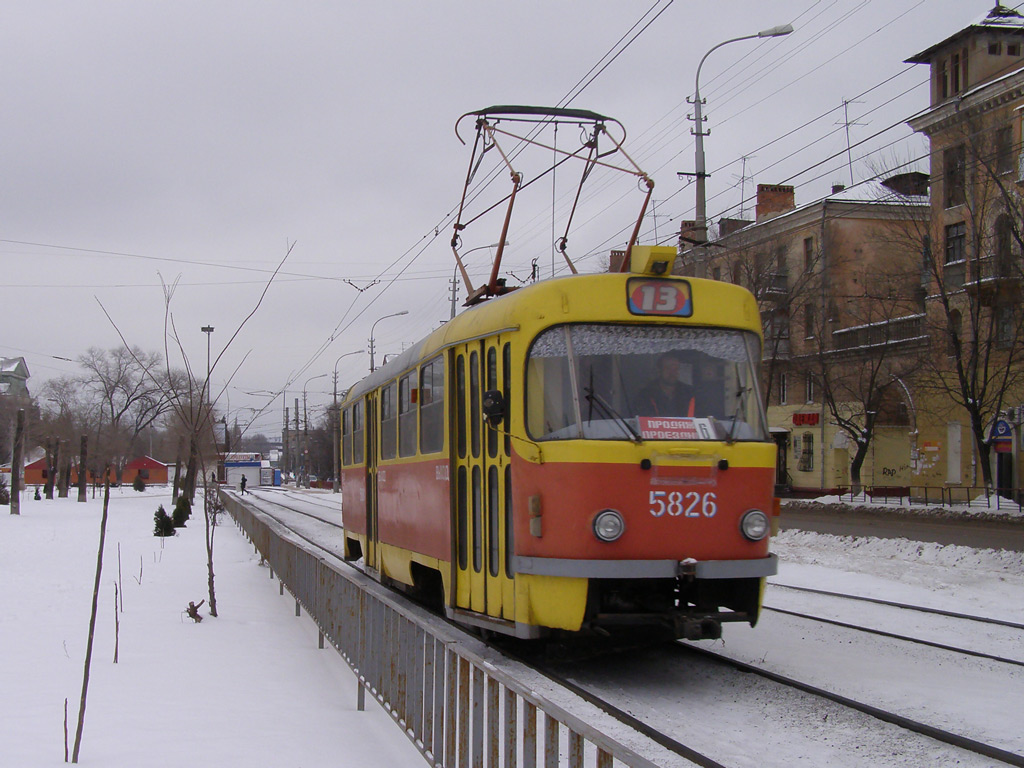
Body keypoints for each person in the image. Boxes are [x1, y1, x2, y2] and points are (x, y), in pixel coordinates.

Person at [638, 353, 695, 417]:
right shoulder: (646, 395)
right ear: (659, 370)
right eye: (668, 368)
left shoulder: (689, 393)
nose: (672, 373)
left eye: (675, 369)